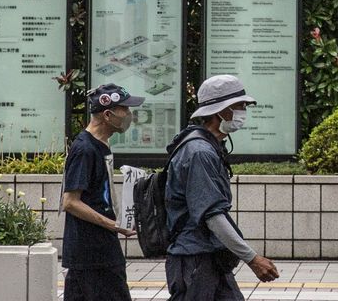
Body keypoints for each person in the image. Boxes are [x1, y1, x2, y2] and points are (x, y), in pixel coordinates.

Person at [165, 75, 280, 301]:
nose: (243, 111)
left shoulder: (209, 146)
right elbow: (212, 215)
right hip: (195, 260)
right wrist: (252, 258)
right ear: (221, 111)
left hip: (209, 256)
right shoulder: (199, 152)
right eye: (239, 106)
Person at [63, 84, 144, 301]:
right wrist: (113, 225)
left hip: (96, 251)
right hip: (93, 254)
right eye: (125, 110)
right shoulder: (85, 149)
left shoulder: (101, 145)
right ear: (107, 114)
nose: (129, 115)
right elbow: (70, 202)